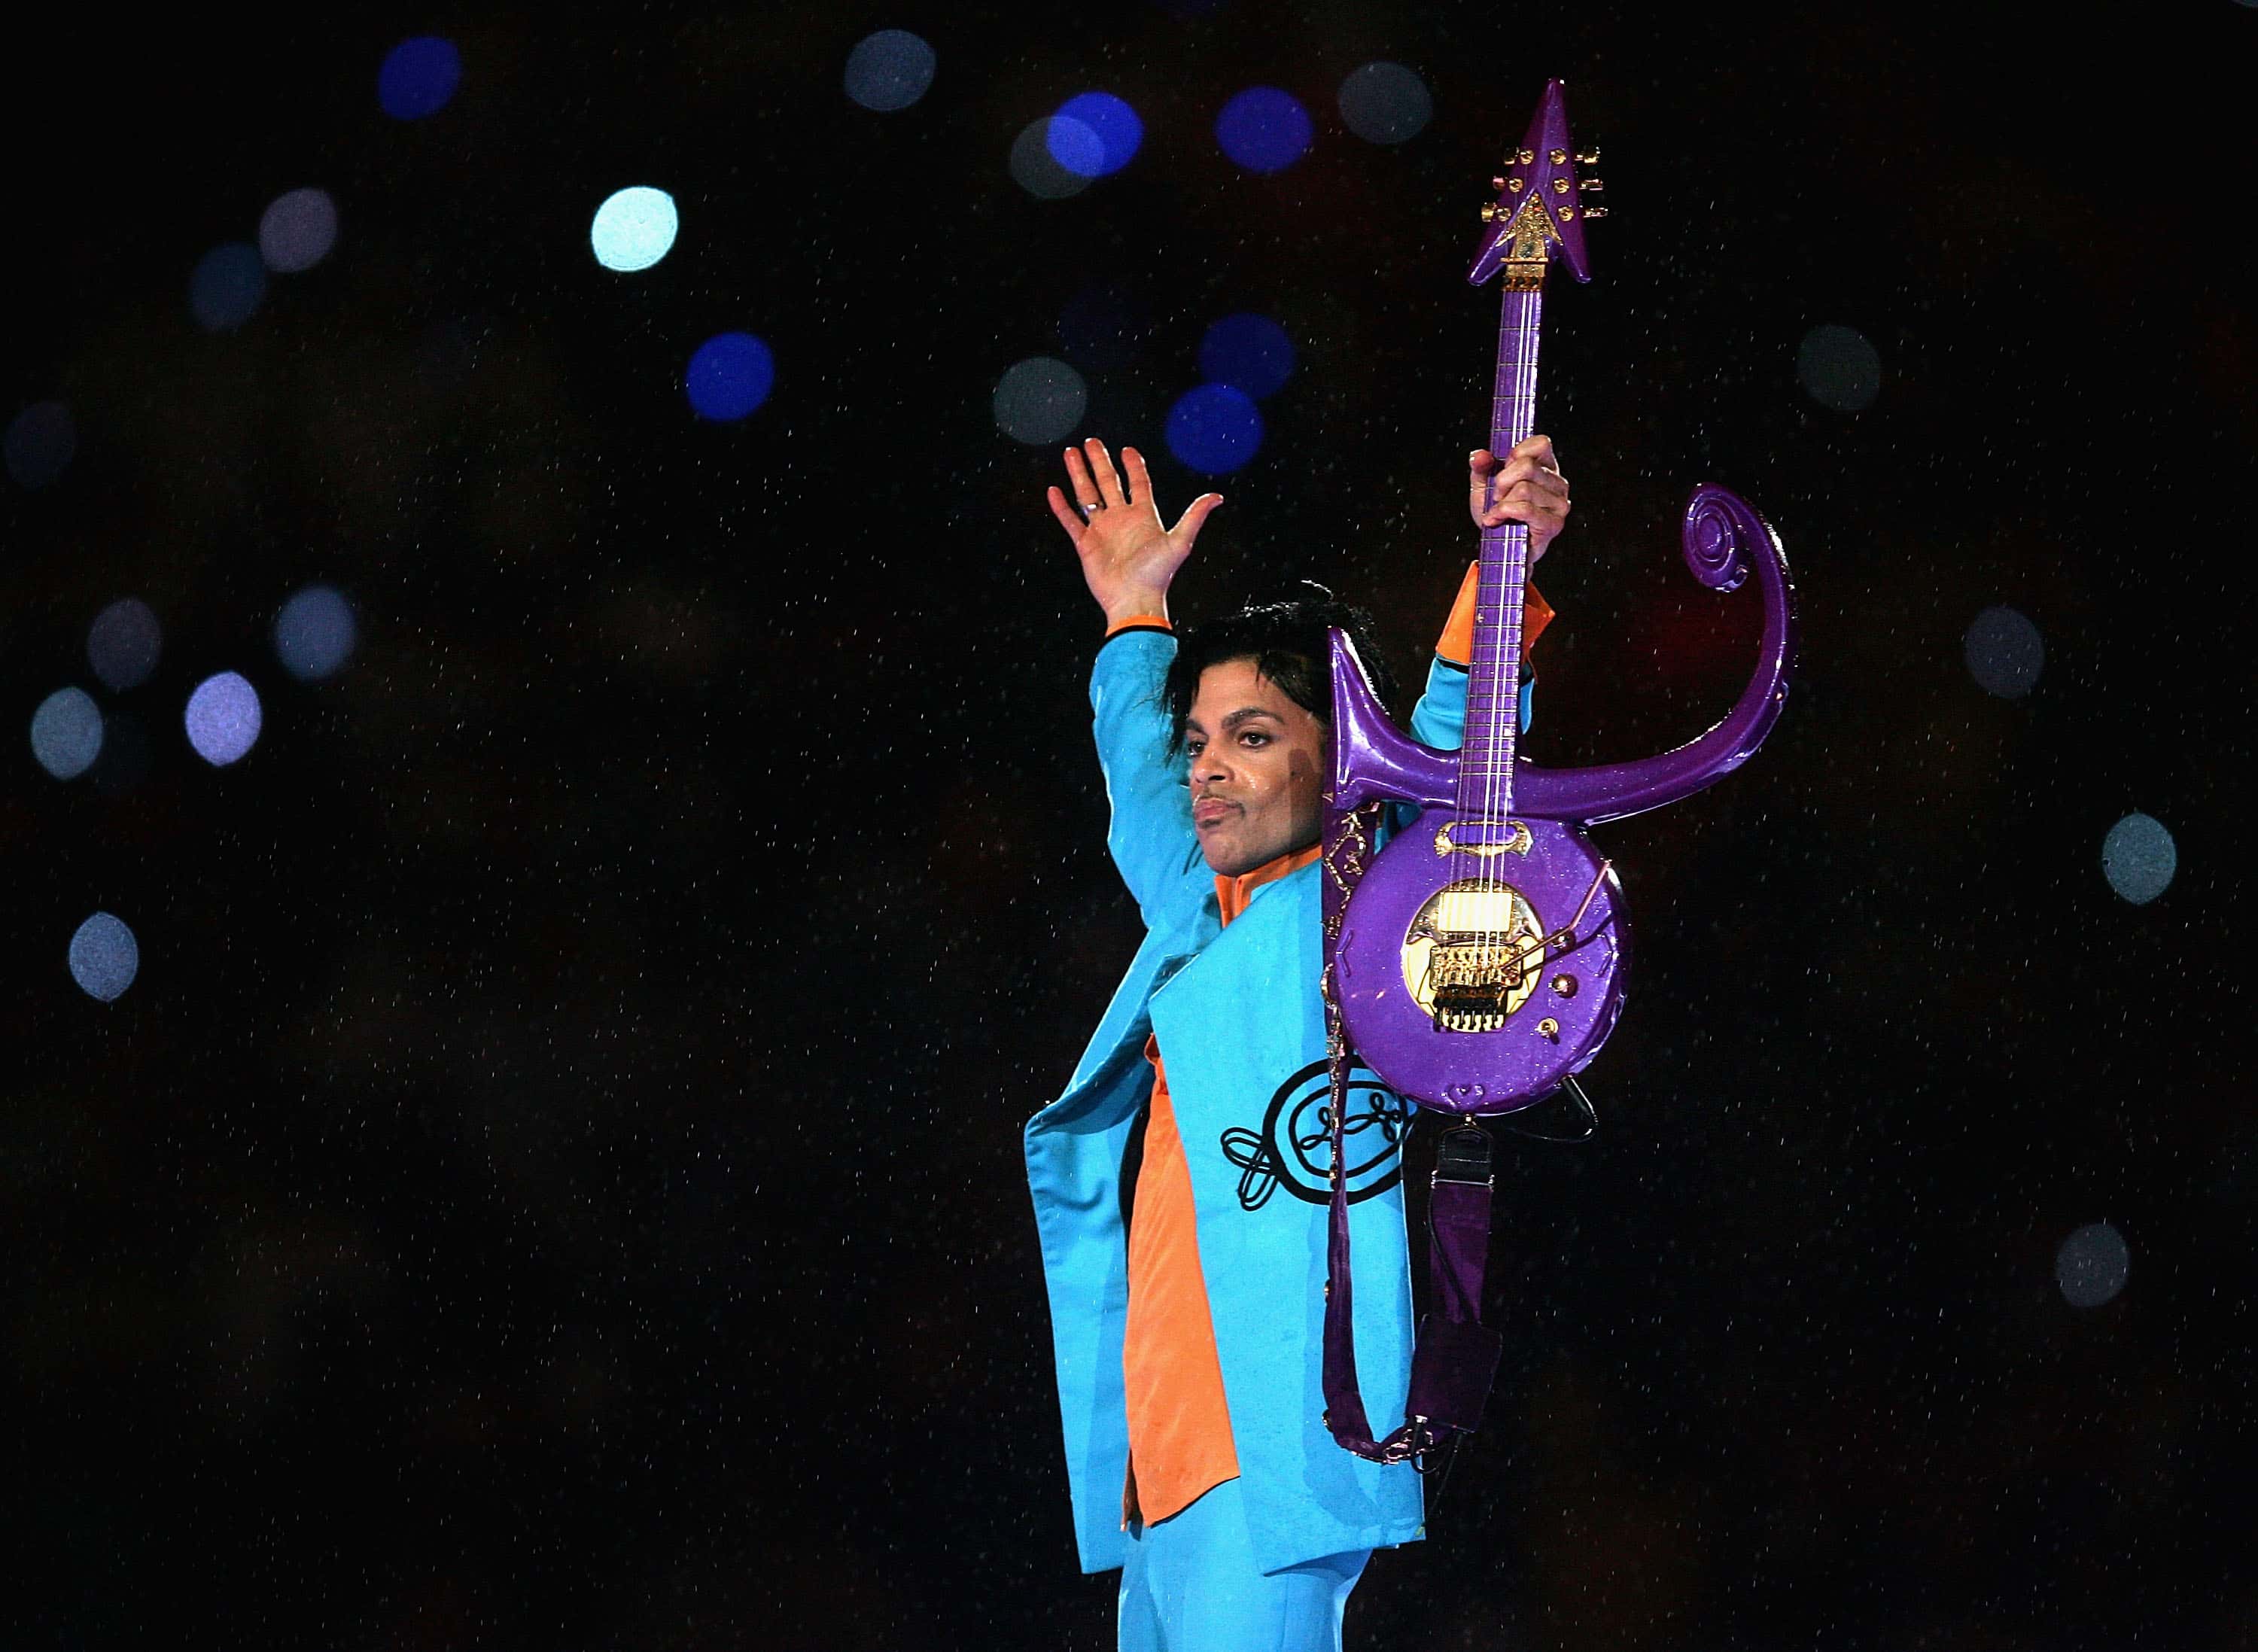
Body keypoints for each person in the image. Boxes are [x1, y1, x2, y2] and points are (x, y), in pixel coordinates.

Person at [1024, 434, 1570, 1651]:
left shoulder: (1360, 908)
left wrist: (1501, 563)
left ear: (1342, 767)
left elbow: (1455, 761)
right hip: (1161, 1488)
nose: (1209, 769)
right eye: (1202, 740)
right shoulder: (1198, 925)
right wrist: (1132, 619)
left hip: (1267, 1470)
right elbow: (1145, 799)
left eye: (1255, 736)